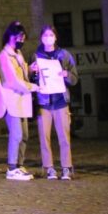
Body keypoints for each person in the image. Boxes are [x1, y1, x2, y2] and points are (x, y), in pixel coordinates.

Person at [32, 24, 78, 180]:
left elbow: (74, 78)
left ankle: (66, 167)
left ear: (55, 37)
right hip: (44, 102)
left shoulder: (64, 55)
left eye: (51, 35)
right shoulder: (36, 55)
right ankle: (49, 167)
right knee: (44, 137)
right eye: (45, 35)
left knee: (64, 136)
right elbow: (32, 78)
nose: (48, 38)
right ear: (41, 38)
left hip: (60, 101)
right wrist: (33, 72)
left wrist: (66, 74)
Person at [0, 21, 38, 181]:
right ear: (10, 36)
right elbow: (12, 80)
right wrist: (33, 87)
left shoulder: (17, 54)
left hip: (21, 101)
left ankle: (19, 164)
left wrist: (30, 69)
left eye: (23, 37)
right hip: (10, 101)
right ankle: (11, 168)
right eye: (19, 37)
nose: (22, 40)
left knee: (24, 134)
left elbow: (22, 71)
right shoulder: (4, 56)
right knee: (17, 134)